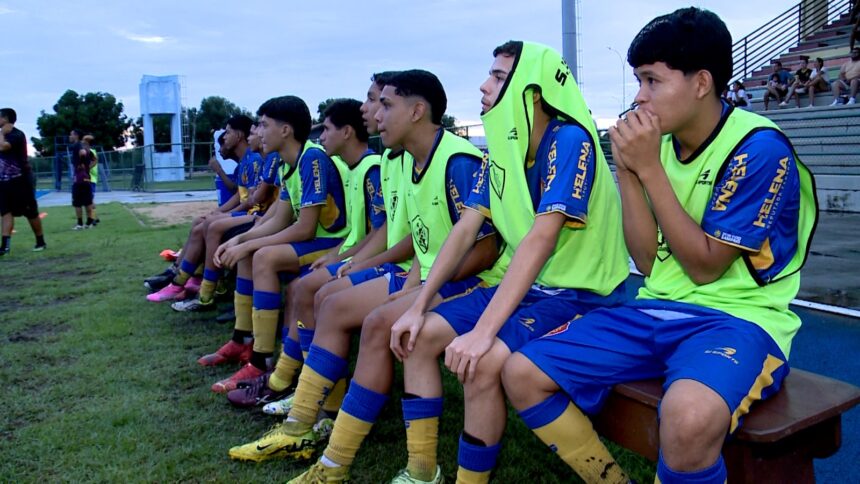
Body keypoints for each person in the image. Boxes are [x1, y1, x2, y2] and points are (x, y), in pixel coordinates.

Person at [501, 7, 817, 484]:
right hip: (657, 308)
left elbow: (706, 268)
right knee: (522, 372)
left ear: (701, 82)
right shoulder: (661, 143)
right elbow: (649, 263)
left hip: (740, 318)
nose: (639, 98)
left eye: (652, 81)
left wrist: (646, 168)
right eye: (638, 82)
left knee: (687, 419)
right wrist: (627, 173)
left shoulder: (758, 147)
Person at [227, 70, 502, 478]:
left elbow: (485, 248)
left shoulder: (457, 160)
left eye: (385, 103)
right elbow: (423, 242)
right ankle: (305, 424)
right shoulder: (412, 160)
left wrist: (419, 290)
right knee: (333, 303)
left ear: (417, 110)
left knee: (371, 321)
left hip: (479, 284)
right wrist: (410, 288)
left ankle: (342, 459)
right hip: (431, 278)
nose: (371, 111)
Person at [386, 41, 629, 483]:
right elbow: (465, 229)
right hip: (535, 289)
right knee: (419, 336)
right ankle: (421, 471)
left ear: (532, 92)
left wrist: (482, 333)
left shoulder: (569, 139)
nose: (484, 85)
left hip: (583, 297)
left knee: (480, 361)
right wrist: (418, 304)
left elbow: (540, 239)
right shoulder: (505, 147)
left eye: (498, 77)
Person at [205, 95, 352, 393]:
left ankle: (261, 361)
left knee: (263, 257)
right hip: (314, 238)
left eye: (263, 124)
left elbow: (305, 228)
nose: (257, 131)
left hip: (333, 242)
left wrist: (247, 245)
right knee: (250, 254)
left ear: (285, 130)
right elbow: (278, 218)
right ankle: (242, 341)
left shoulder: (312, 159)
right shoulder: (289, 163)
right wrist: (241, 240)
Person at [146, 115, 260, 302]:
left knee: (210, 225)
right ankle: (181, 277)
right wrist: (219, 212)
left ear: (239, 135)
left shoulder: (254, 160)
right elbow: (240, 196)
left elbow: (250, 200)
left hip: (255, 216)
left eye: (228, 132)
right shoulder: (247, 162)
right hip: (248, 213)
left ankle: (199, 286)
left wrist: (222, 213)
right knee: (203, 220)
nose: (224, 138)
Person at [0, 107, 46, 254]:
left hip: (21, 179)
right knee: (5, 211)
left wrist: (2, 133)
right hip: (4, 181)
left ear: (6, 118)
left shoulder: (16, 135)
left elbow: (3, 147)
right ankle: (5, 246)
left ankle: (40, 241)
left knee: (30, 211)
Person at [70, 133, 95, 229]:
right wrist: (88, 167)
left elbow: (82, 153)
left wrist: (80, 163)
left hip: (79, 178)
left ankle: (80, 223)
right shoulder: (89, 150)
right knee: (88, 202)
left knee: (77, 202)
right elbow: (95, 160)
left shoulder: (78, 146)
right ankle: (90, 222)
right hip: (87, 178)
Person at [82, 135, 100, 226]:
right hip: (90, 178)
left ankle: (92, 218)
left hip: (90, 178)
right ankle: (95, 218)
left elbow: (94, 161)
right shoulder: (92, 151)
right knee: (90, 199)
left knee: (90, 199)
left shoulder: (89, 152)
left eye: (84, 141)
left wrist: (86, 169)